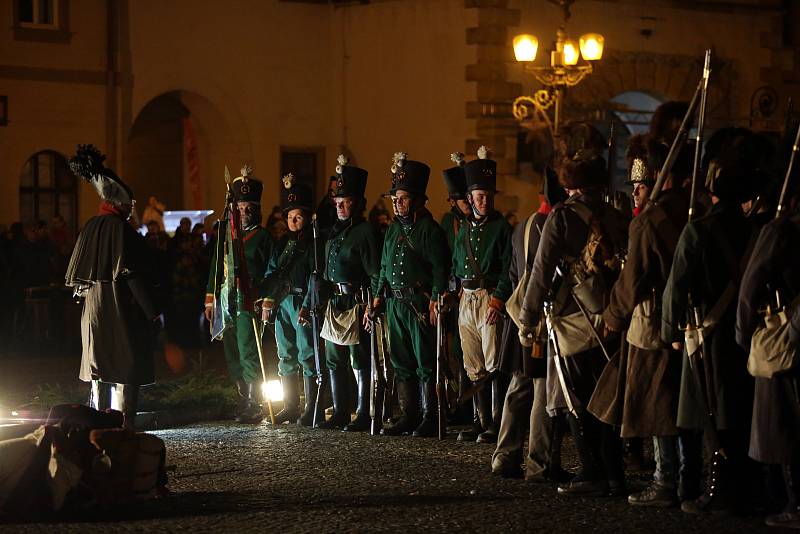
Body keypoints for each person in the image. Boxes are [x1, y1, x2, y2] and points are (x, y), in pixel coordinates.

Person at [662, 128, 767, 514]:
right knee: (738, 410)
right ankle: (742, 486)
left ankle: (714, 489)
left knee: (704, 412)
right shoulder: (756, 231)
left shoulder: (698, 230)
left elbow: (677, 286)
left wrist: (670, 330)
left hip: (705, 334)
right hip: (745, 333)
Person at [519, 147, 629, 497]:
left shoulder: (562, 217)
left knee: (575, 397)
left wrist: (527, 317)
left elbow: (540, 271)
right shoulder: (616, 215)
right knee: (607, 396)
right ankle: (615, 475)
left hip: (572, 319)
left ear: (571, 185)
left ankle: (591, 471)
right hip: (612, 318)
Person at [599, 136, 692, 507]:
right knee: (683, 402)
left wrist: (612, 316)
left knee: (660, 402)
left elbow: (632, 279)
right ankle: (687, 479)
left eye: (640, 185)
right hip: (693, 320)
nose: (635, 194)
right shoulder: (690, 210)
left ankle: (666, 480)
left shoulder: (651, 221)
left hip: (654, 319)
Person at [65, 144, 161, 430]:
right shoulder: (121, 230)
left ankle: (98, 421)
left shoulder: (90, 227)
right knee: (125, 364)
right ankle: (125, 423)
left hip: (93, 310)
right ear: (121, 203)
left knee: (100, 368)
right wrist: (152, 311)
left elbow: (79, 279)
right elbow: (132, 274)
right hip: (118, 308)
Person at [491, 169, 570, 482]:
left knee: (517, 388)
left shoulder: (521, 227)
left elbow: (513, 274)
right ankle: (540, 464)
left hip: (519, 319)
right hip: (543, 318)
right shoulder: (555, 226)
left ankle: (504, 456)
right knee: (542, 391)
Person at [369, 153, 449, 437]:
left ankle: (430, 415)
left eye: (402, 198)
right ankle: (409, 414)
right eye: (395, 199)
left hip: (418, 305)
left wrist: (435, 300)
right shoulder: (392, 230)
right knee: (401, 360)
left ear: (416, 199)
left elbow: (441, 270)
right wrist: (378, 297)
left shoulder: (430, 231)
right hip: (394, 303)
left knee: (425, 361)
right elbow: (382, 265)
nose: (397, 203)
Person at [302, 155, 381, 431]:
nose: (341, 207)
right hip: (334, 302)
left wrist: (372, 305)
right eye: (337, 203)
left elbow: (375, 272)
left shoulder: (366, 232)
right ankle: (340, 411)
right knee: (334, 357)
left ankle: (363, 412)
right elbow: (324, 272)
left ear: (357, 203)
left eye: (346, 202)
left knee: (358, 357)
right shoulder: (334, 234)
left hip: (357, 300)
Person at [736, 196, 800, 529]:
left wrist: (744, 334)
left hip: (788, 336)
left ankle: (794, 503)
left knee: (784, 424)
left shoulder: (781, 230)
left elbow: (752, 283)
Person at [451, 146, 513, 444]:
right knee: (472, 360)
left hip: (489, 296)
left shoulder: (502, 228)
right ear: (470, 199)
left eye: (487, 195)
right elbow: (456, 262)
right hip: (467, 296)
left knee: (493, 362)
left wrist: (499, 299)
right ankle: (480, 420)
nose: (483, 200)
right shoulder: (463, 229)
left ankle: (497, 422)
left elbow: (508, 268)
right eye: (478, 196)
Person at [204, 165, 273, 424]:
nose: (244, 212)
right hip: (226, 300)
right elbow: (215, 267)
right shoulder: (226, 234)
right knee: (232, 352)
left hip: (248, 300)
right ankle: (241, 397)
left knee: (248, 351)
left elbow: (270, 270)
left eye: (248, 208)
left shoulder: (263, 237)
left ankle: (254, 402)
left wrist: (265, 298)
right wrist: (210, 298)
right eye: (240, 208)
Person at [261, 174, 322, 426]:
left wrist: (308, 305)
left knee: (307, 353)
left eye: (297, 217)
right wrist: (267, 300)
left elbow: (315, 277)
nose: (292, 221)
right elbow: (271, 273)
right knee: (285, 353)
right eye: (289, 217)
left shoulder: (313, 245)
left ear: (307, 217)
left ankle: (311, 406)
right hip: (283, 303)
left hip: (301, 303)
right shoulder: (282, 243)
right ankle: (290, 405)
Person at [439, 152, 476, 438]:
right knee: (453, 351)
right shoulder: (448, 223)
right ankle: (456, 400)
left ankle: (471, 406)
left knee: (469, 353)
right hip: (453, 293)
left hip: (471, 293)